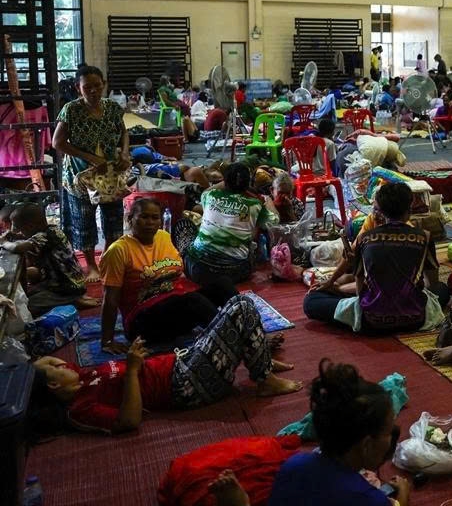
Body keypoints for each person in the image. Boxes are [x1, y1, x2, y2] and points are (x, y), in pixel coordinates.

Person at [32, 294, 301, 435]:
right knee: (241, 307)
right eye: (55, 364)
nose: (64, 362)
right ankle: (263, 378)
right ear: (54, 383)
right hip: (185, 384)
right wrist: (133, 369)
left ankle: (260, 360)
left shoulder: (81, 376)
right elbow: (129, 421)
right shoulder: (80, 408)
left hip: (183, 360)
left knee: (232, 302)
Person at [207, 360, 408, 506]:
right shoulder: (367, 498)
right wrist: (403, 498)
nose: (394, 435)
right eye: (389, 431)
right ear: (366, 445)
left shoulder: (293, 465)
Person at [304, 182, 449, 334]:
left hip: (371, 321)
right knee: (442, 289)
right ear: (409, 208)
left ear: (381, 211)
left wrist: (334, 284)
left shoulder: (364, 239)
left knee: (311, 301)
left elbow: (360, 294)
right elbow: (432, 284)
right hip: (416, 320)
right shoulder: (424, 237)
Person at [99, 198, 237, 352]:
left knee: (223, 284)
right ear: (130, 219)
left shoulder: (163, 237)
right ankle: (233, 341)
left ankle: (244, 326)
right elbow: (110, 298)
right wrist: (107, 341)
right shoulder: (118, 250)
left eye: (155, 217)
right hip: (142, 322)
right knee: (193, 301)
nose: (150, 222)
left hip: (173, 310)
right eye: (144, 217)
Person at [52, 64, 129, 282]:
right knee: (84, 219)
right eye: (87, 88)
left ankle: (108, 257)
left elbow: (123, 132)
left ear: (104, 85)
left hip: (109, 173)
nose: (93, 91)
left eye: (97, 86)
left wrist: (124, 152)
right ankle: (91, 265)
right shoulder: (71, 110)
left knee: (113, 217)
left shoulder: (112, 108)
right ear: (79, 88)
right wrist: (90, 158)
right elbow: (57, 143)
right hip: (80, 174)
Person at [186, 162, 276, 285]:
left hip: (197, 269)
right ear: (248, 183)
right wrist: (268, 199)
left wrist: (227, 182)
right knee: (253, 229)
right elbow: (274, 220)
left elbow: (205, 191)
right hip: (233, 272)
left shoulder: (211, 196)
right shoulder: (255, 205)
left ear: (224, 181)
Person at [0, 202, 97, 315]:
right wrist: (15, 235)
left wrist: (4, 242)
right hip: (63, 282)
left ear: (30, 226)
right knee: (27, 295)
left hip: (66, 288)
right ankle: (70, 298)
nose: (15, 231)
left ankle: (73, 301)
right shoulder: (52, 230)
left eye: (17, 227)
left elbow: (18, 247)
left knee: (27, 305)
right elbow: (27, 237)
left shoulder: (45, 237)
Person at [157, 76, 199, 141]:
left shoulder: (167, 88)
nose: (169, 82)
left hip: (176, 101)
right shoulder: (162, 89)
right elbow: (165, 100)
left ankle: (185, 121)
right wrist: (174, 105)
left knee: (186, 107)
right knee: (185, 108)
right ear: (165, 81)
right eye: (168, 80)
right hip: (172, 103)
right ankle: (183, 122)